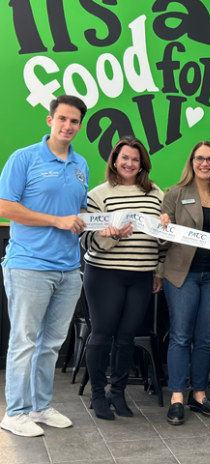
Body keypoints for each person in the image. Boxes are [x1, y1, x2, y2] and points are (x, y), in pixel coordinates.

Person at [0, 95, 89, 437]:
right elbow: (6, 207)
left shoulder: (80, 164)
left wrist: (105, 225)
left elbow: (78, 213)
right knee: (24, 341)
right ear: (50, 120)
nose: (68, 126)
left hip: (68, 268)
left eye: (74, 121)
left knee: (50, 343)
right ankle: (14, 412)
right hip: (29, 265)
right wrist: (56, 220)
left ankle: (39, 407)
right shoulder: (24, 158)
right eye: (62, 119)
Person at [80, 136, 164, 421]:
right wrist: (111, 236)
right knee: (102, 334)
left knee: (127, 337)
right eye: (124, 157)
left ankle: (117, 393)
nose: (130, 163)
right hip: (105, 275)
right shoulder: (98, 195)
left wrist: (159, 271)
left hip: (141, 276)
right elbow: (86, 240)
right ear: (114, 160)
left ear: (143, 164)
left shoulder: (156, 194)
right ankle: (97, 395)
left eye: (135, 159)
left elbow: (162, 240)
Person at [158, 142, 210, 425]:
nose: (205, 163)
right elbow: (161, 241)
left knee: (207, 337)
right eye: (200, 158)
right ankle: (176, 396)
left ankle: (198, 394)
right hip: (181, 275)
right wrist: (161, 225)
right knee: (180, 335)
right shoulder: (175, 193)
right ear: (191, 162)